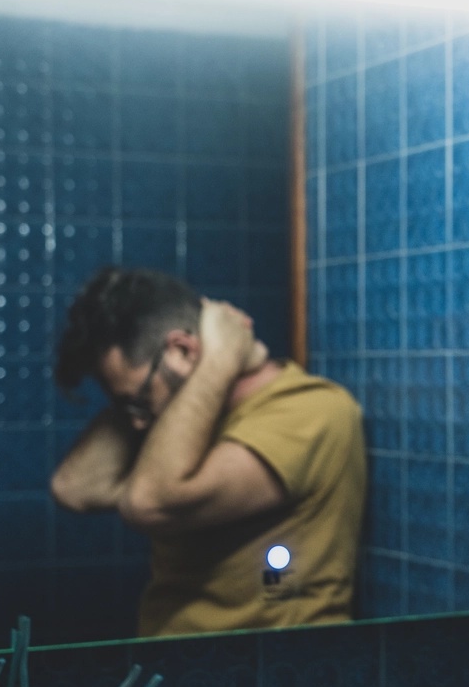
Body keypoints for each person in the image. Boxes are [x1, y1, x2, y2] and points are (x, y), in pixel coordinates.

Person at [50, 266, 367, 638]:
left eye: (136, 402)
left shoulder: (310, 410)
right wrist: (149, 393)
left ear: (183, 350)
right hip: (176, 673)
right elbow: (74, 487)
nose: (136, 423)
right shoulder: (182, 422)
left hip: (270, 675)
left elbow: (149, 503)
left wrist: (217, 359)